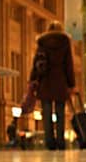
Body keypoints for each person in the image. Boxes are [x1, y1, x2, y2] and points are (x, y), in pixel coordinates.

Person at [29, 21, 75, 151]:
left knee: (47, 113)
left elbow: (36, 62)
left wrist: (32, 79)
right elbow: (68, 64)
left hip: (45, 81)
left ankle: (49, 142)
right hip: (60, 81)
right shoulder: (65, 42)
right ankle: (60, 142)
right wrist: (71, 84)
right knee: (60, 113)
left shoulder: (42, 43)